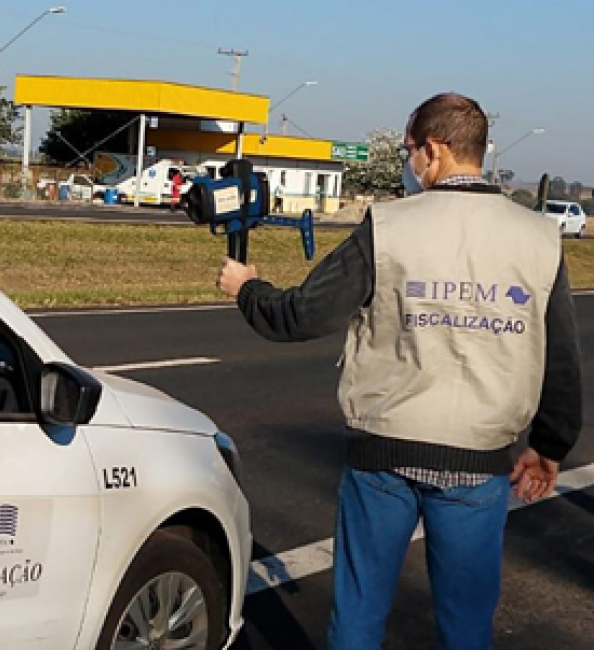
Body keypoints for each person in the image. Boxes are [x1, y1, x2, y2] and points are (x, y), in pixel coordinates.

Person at [217, 93, 582, 650]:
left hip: (383, 456)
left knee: (359, 619)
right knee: (465, 627)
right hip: (478, 462)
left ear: (432, 151)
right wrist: (550, 445)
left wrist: (247, 289)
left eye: (409, 150)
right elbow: (560, 356)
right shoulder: (538, 238)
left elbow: (303, 315)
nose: (408, 163)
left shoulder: (386, 227)